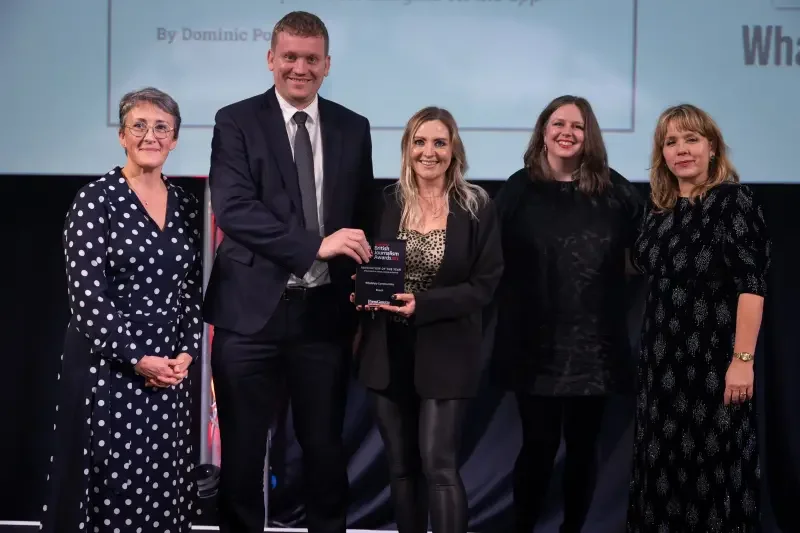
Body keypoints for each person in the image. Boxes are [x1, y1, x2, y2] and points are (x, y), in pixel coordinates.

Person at [202, 11, 375, 533]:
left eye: (311, 59)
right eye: (290, 57)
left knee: (324, 451)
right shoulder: (235, 120)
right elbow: (233, 209)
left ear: (327, 64)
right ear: (270, 59)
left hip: (322, 318)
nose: (300, 68)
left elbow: (363, 219)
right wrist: (315, 246)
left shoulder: (353, 126)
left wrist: (368, 293)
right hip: (247, 317)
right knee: (243, 450)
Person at [39, 87, 203, 533]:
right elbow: (88, 300)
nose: (150, 136)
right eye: (140, 126)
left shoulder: (186, 204)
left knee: (161, 484)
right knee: (109, 488)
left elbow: (190, 289)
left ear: (174, 139)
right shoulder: (96, 201)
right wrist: (137, 359)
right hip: (107, 369)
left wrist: (185, 354)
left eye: (162, 127)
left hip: (168, 370)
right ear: (122, 136)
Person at [490, 95, 645, 533]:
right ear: (543, 130)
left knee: (582, 448)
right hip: (532, 345)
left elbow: (646, 253)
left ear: (589, 135)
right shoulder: (518, 188)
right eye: (558, 123)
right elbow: (486, 257)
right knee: (537, 447)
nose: (567, 133)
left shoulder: (616, 190)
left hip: (594, 347)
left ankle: (572, 530)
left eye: (577, 126)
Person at [353, 107, 503, 533]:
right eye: (420, 142)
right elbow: (367, 266)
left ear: (453, 149)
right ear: (407, 148)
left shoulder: (476, 207)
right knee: (401, 469)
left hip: (447, 353)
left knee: (439, 466)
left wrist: (425, 304)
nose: (429, 152)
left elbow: (484, 285)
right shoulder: (386, 204)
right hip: (387, 351)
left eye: (439, 142)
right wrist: (361, 293)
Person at [626, 104, 770, 532]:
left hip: (714, 364)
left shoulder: (734, 201)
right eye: (671, 142)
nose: (681, 149)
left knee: (716, 469)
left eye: (691, 139)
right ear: (661, 154)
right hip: (660, 365)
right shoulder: (657, 210)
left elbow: (752, 286)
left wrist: (741, 362)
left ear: (712, 148)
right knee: (662, 471)